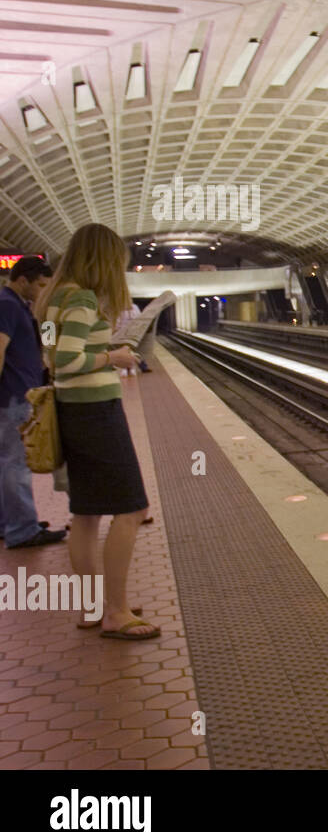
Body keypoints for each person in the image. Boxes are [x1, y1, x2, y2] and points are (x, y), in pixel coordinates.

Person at [36, 223, 157, 640]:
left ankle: (94, 607)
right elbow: (65, 361)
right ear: (104, 260)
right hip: (96, 415)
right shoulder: (84, 298)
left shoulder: (54, 298)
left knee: (85, 514)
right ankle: (117, 613)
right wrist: (114, 356)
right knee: (130, 509)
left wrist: (98, 352)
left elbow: (50, 356)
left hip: (73, 412)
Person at [0, 255, 67, 549]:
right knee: (16, 464)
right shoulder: (7, 305)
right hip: (13, 397)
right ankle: (22, 530)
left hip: (19, 394)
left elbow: (42, 341)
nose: (42, 290)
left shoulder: (21, 306)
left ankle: (11, 522)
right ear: (22, 280)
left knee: (8, 463)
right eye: (40, 285)